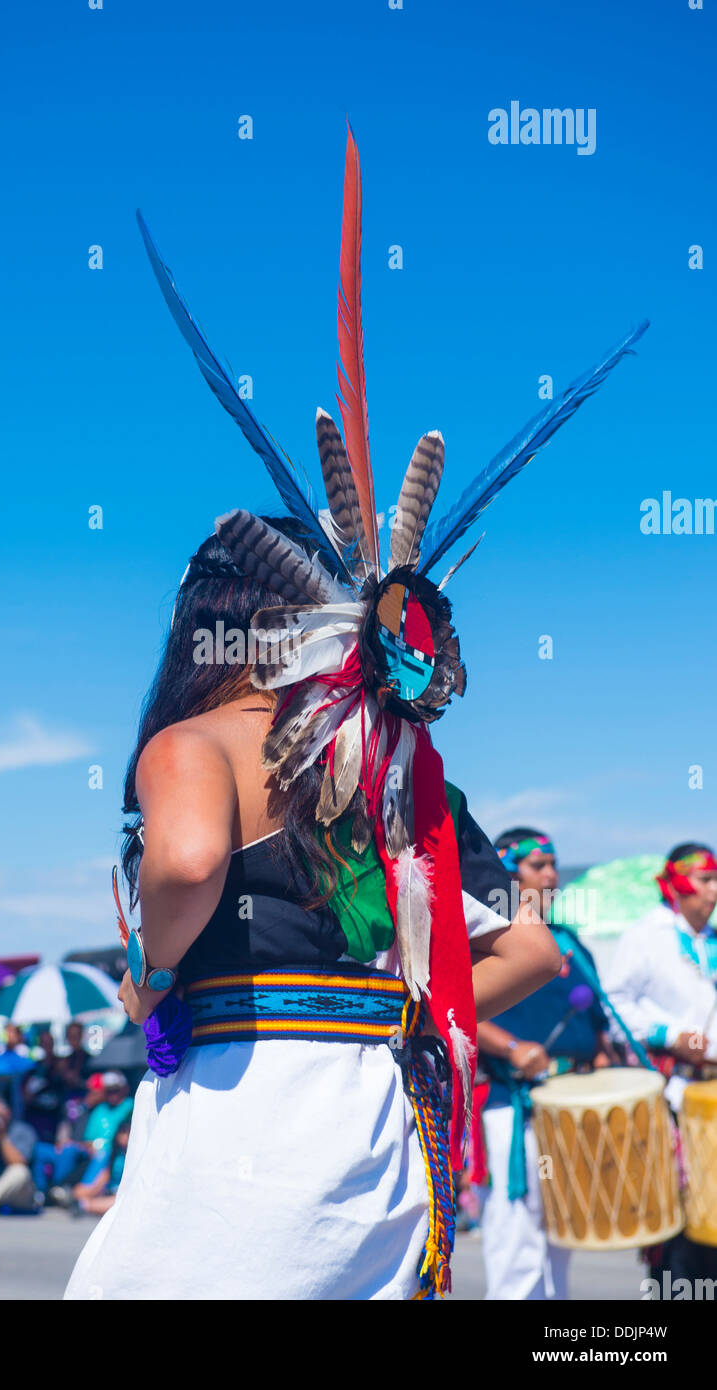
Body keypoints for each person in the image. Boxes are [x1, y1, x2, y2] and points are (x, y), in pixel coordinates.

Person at [64, 128, 642, 1301]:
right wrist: (398, 1012)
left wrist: (148, 966)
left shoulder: (195, 744)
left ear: (215, 625)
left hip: (240, 1129)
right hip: (372, 1130)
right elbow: (531, 941)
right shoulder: (400, 761)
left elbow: (180, 863)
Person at [473, 828, 614, 1300]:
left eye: (554, 864)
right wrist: (512, 1048)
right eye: (539, 865)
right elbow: (457, 1011)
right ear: (509, 872)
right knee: (517, 1244)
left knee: (560, 1244)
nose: (552, 874)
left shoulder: (571, 945)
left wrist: (604, 1067)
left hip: (568, 1111)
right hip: (514, 1107)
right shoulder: (484, 941)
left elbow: (597, 1029)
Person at [605, 841, 717, 1284]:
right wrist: (670, 1036)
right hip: (673, 1098)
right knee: (680, 1224)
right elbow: (613, 1006)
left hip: (710, 1098)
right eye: (706, 880)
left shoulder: (710, 940)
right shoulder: (647, 935)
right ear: (676, 882)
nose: (713, 892)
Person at [71, 1119, 131, 1216]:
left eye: (128, 1133)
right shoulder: (113, 1155)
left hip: (121, 1193)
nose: (124, 1137)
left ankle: (86, 1206)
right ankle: (87, 1204)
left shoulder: (132, 1157)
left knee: (116, 1202)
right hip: (108, 1191)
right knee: (79, 1191)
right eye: (122, 1132)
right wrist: (91, 1190)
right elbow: (104, 1177)